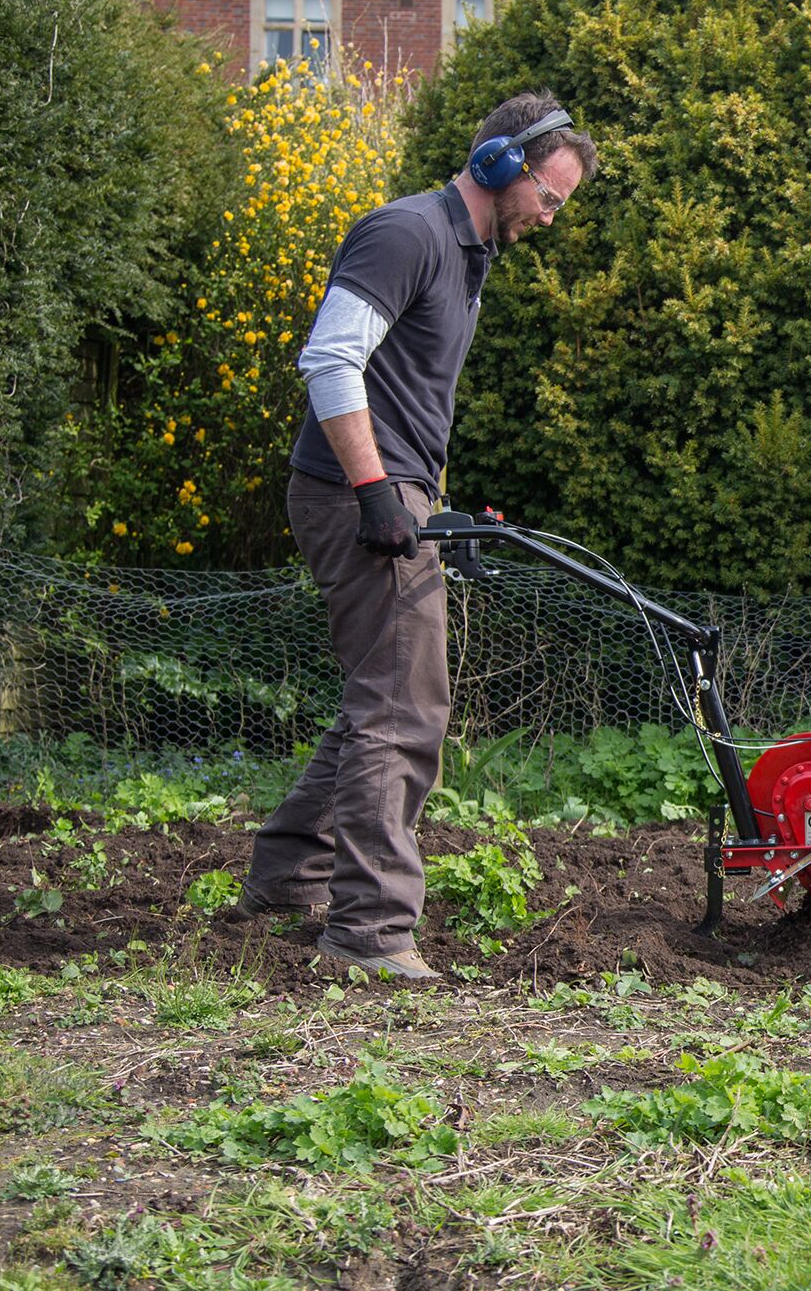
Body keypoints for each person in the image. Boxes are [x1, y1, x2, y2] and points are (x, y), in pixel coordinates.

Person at [233, 92, 598, 980]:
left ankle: (288, 871)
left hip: (397, 488)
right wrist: (376, 494)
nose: (549, 218)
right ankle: (367, 935)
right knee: (402, 706)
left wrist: (434, 503)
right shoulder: (406, 234)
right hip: (353, 491)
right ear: (499, 165)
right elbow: (329, 358)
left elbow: (404, 397)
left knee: (381, 695)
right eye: (547, 197)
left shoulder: (464, 257)